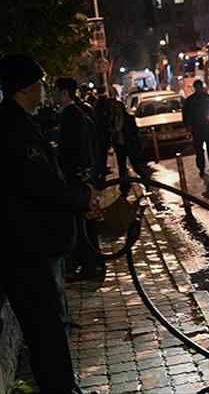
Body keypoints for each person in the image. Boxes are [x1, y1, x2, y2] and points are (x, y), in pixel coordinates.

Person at [0, 54, 98, 394]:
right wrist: (83, 197)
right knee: (47, 330)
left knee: (52, 328)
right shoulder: (14, 129)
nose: (44, 89)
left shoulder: (20, 122)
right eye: (39, 83)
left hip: (35, 247)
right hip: (30, 251)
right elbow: (42, 185)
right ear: (24, 88)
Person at [56, 77, 105, 282]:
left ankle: (91, 264)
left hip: (78, 177)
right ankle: (91, 263)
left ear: (64, 93)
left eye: (56, 91)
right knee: (84, 222)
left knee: (83, 222)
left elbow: (78, 147)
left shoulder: (72, 114)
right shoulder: (73, 112)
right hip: (81, 176)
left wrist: (80, 175)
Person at [182, 79, 209, 178]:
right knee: (200, 151)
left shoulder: (198, 99)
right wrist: (187, 125)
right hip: (198, 129)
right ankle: (202, 168)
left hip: (205, 128)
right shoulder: (193, 100)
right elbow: (185, 114)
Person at [110, 99, 147, 195]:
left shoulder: (129, 118)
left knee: (136, 166)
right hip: (119, 145)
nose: (118, 109)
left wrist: (138, 144)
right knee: (122, 167)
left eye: (119, 107)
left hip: (129, 144)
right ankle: (124, 187)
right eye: (116, 108)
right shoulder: (113, 119)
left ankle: (146, 182)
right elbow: (111, 131)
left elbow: (135, 132)